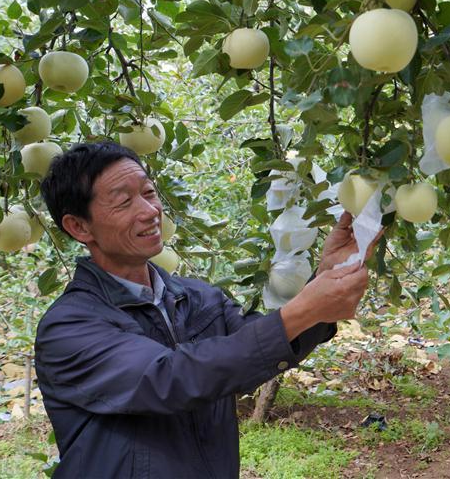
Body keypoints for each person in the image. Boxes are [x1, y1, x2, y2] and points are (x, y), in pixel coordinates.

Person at [35, 141, 375, 479]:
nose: (150, 211)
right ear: (79, 226)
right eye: (124, 201)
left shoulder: (196, 297)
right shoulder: (68, 328)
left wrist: (328, 277)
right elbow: (173, 378)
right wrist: (305, 309)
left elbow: (262, 345)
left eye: (149, 192)